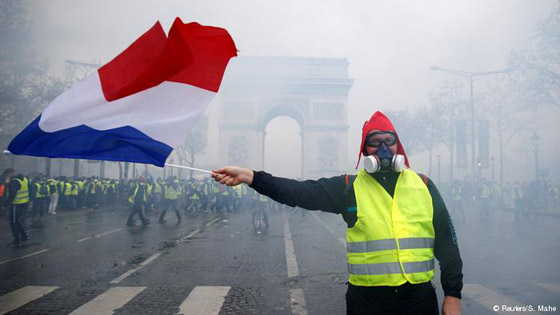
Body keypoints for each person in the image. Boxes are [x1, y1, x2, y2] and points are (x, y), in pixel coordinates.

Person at [212, 111, 463, 315]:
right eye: (375, 141)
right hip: (367, 302)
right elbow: (300, 192)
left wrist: (452, 295)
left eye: (390, 140)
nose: (384, 148)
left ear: (399, 146)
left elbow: (448, 244)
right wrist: (251, 177)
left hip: (418, 299)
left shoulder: (425, 185)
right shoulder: (348, 187)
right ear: (364, 151)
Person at [4, 168, 30, 248]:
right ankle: (24, 235)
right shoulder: (24, 179)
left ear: (11, 173)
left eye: (7, 175)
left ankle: (17, 240)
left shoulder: (14, 181)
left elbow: (12, 194)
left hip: (16, 204)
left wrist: (6, 204)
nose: (7, 177)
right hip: (24, 202)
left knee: (14, 223)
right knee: (18, 221)